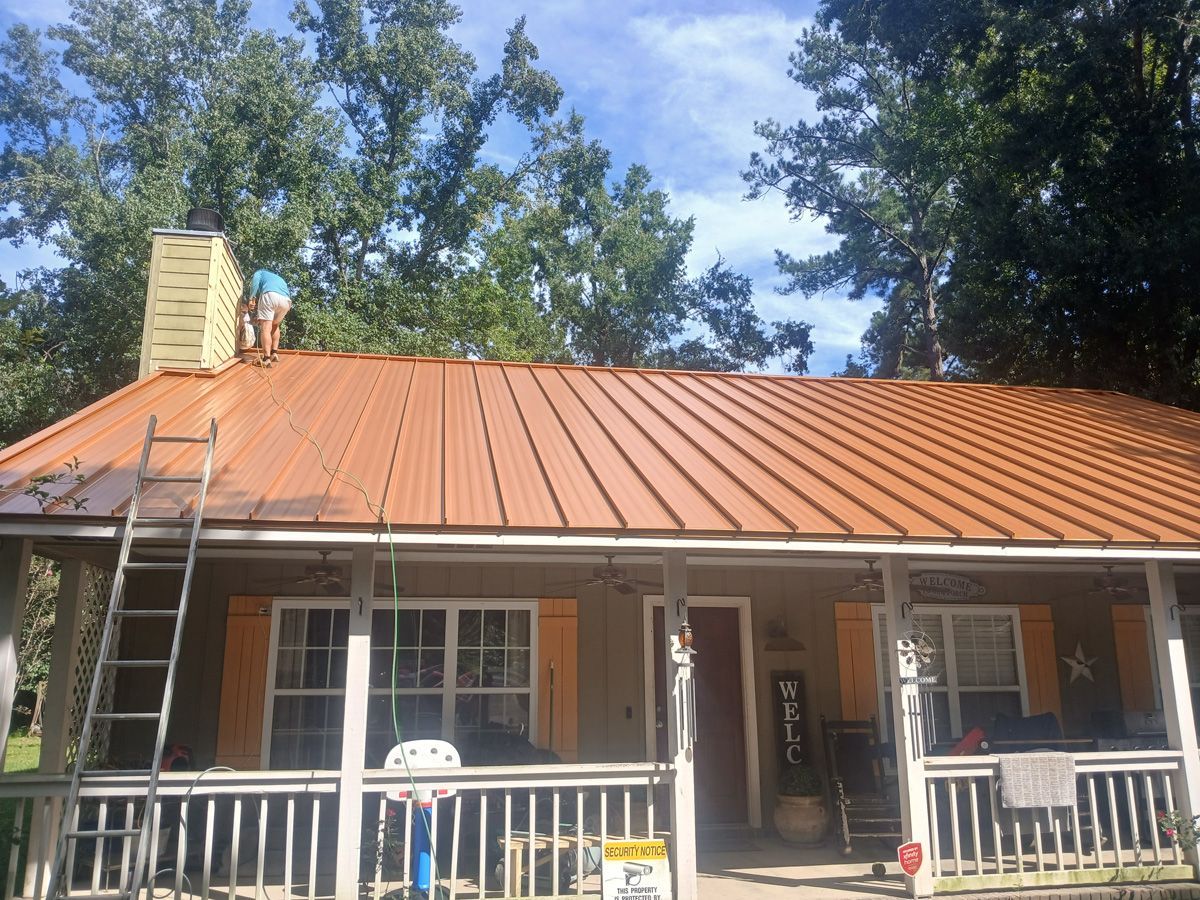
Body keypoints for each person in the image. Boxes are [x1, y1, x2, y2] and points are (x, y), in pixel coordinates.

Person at [246, 268, 291, 367]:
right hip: (286, 301)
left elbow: (254, 284)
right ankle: (274, 353)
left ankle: (266, 359)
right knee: (275, 325)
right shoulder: (278, 278)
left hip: (270, 295)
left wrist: (251, 298)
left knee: (266, 328)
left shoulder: (259, 272)